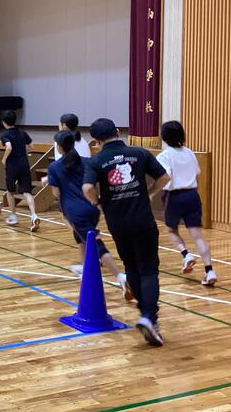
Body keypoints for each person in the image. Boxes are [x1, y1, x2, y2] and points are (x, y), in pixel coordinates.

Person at [83, 118, 170, 346]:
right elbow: (164, 177)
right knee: (148, 269)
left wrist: (97, 202)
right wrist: (149, 193)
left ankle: (145, 313)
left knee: (131, 267)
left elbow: (87, 187)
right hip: (142, 220)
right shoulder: (139, 153)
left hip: (118, 223)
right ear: (118, 131)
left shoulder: (96, 161)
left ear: (96, 140)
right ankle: (149, 316)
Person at [48, 131, 130, 299]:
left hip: (75, 211)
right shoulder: (87, 161)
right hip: (92, 207)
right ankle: (85, 268)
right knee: (81, 236)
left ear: (59, 147)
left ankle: (120, 276)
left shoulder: (54, 167)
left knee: (95, 243)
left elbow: (56, 193)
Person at [156, 120, 217, 286]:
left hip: (173, 196)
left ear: (164, 137)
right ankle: (209, 271)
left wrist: (152, 191)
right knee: (197, 236)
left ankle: (186, 254)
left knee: (171, 230)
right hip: (192, 195)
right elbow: (197, 173)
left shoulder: (164, 156)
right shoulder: (189, 153)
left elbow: (165, 176)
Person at [0, 110, 40, 231]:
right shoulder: (22, 132)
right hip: (24, 165)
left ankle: (13, 216)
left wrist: (4, 158)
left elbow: (9, 147)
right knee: (27, 192)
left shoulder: (5, 134)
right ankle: (34, 215)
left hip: (12, 166)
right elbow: (31, 147)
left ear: (4, 122)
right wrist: (21, 151)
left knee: (10, 191)